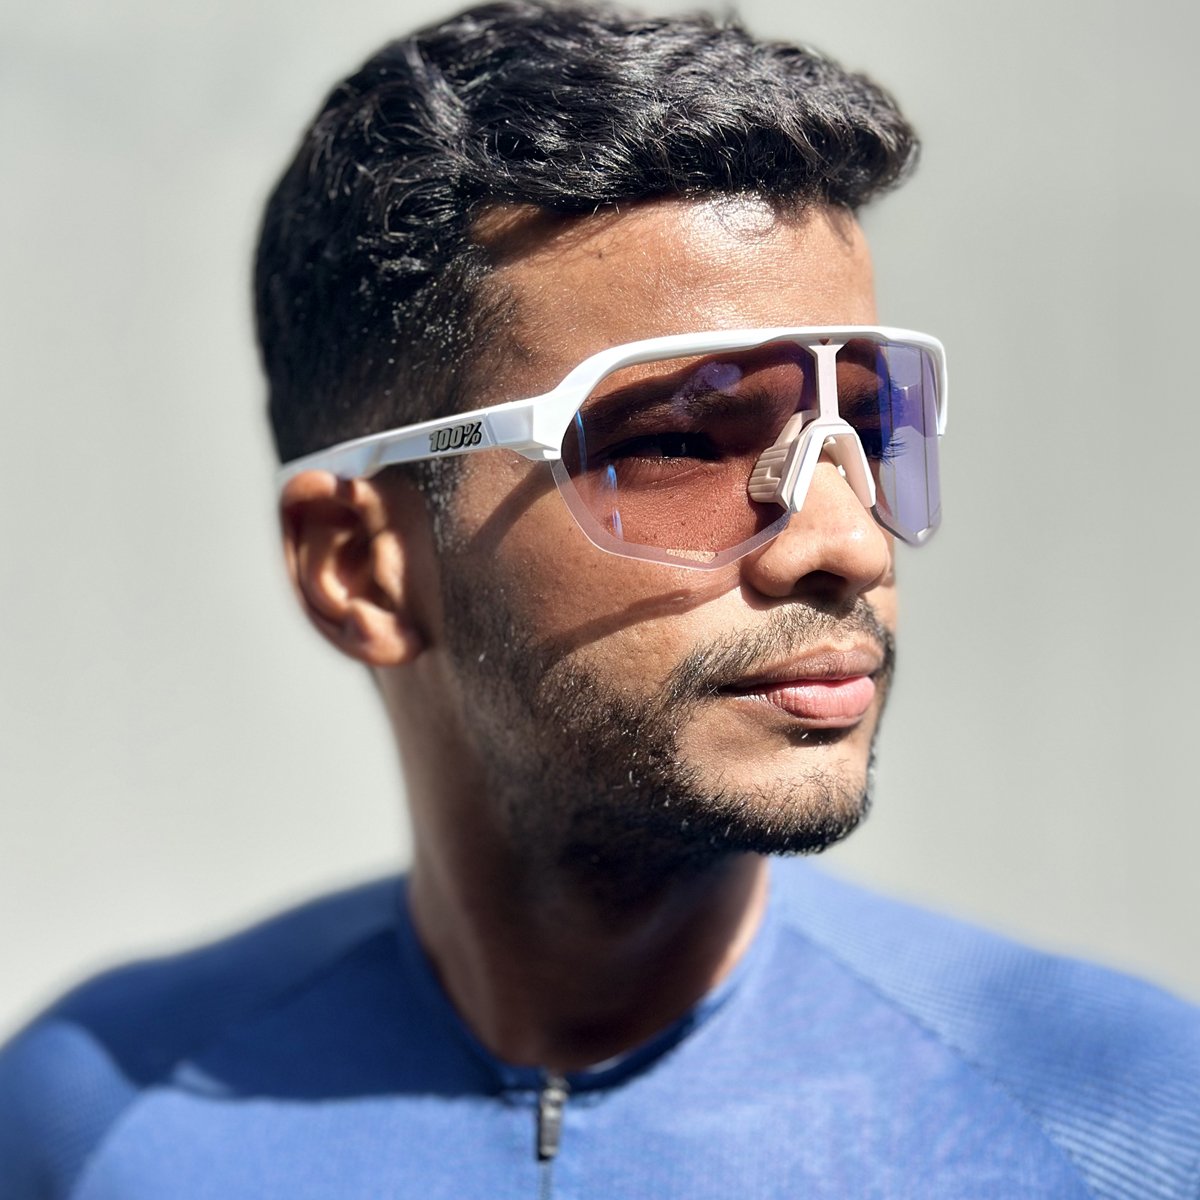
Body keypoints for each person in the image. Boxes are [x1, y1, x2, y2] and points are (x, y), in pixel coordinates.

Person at [1, 2, 1197, 1196]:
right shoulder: (97, 1120)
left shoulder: (1127, 1126)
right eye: (676, 441)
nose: (848, 542)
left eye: (872, 431)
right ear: (359, 566)